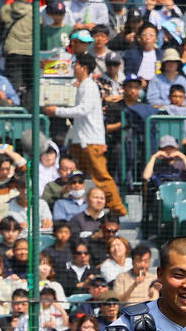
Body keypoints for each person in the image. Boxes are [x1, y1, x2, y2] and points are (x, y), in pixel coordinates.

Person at [43, 53, 125, 217]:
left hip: (90, 141)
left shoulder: (89, 86)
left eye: (76, 65)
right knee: (74, 174)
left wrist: (56, 111)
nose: (74, 68)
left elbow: (83, 110)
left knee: (101, 177)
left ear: (83, 67)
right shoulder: (83, 85)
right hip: (80, 141)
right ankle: (66, 200)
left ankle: (118, 209)